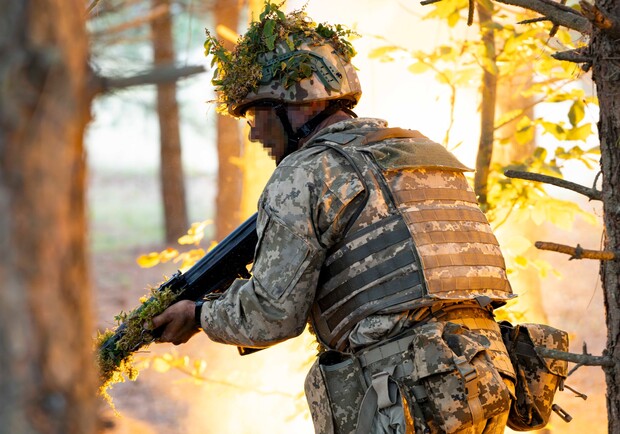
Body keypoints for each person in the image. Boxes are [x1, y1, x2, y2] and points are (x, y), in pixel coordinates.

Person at [150, 3, 517, 433]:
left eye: (256, 114)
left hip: (404, 398)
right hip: (487, 378)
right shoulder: (424, 153)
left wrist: (197, 316)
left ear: (295, 104)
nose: (252, 132)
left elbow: (271, 314)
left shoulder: (303, 174)